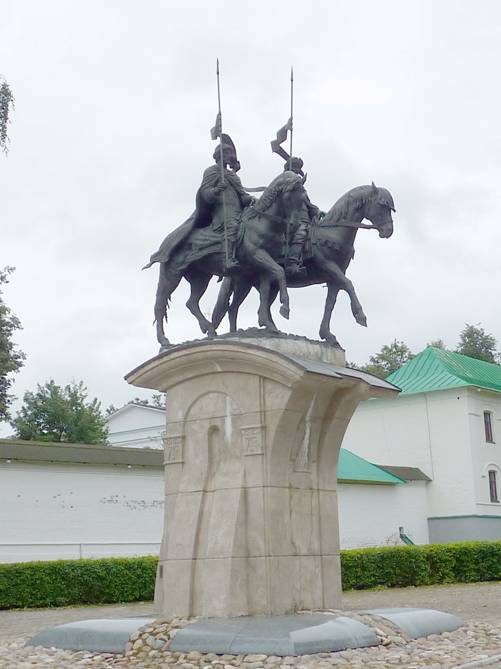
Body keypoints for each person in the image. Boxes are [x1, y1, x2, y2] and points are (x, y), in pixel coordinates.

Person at [199, 136, 254, 273]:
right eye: (228, 154)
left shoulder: (232, 175)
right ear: (220, 155)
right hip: (222, 213)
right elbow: (205, 193)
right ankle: (228, 260)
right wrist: (216, 190)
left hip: (238, 212)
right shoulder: (211, 171)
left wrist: (252, 200)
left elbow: (242, 195)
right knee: (233, 227)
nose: (230, 157)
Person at [283, 156, 323, 276]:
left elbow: (308, 204)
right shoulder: (284, 182)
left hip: (307, 219)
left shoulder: (301, 187)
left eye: (298, 169)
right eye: (295, 168)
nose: (297, 171)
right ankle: (292, 263)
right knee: (301, 233)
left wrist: (317, 211)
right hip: (293, 219)